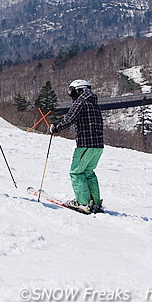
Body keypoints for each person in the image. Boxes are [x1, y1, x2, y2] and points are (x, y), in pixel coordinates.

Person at [49, 79, 104, 213]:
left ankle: (83, 203)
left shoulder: (81, 102)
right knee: (88, 172)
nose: (71, 94)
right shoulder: (93, 103)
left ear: (79, 90)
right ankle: (95, 203)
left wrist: (56, 128)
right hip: (98, 146)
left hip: (85, 144)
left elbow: (70, 118)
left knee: (76, 172)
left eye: (71, 91)